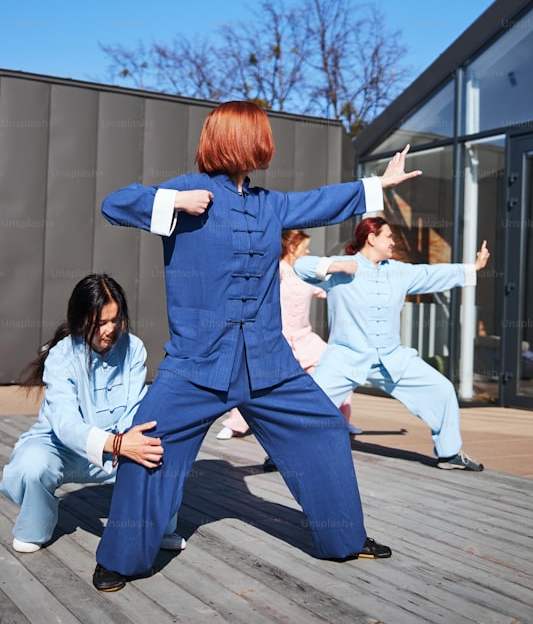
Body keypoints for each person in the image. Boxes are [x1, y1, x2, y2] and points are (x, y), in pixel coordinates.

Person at [91, 101, 420, 592]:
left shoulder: (270, 205)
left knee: (326, 430)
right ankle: (120, 557)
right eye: (260, 134)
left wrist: (378, 186)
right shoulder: (186, 191)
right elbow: (115, 203)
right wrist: (174, 204)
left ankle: (344, 539)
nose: (267, 143)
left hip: (270, 364)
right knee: (148, 444)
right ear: (240, 139)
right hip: (197, 364)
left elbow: (320, 201)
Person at [0, 273, 186, 554]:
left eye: (115, 319)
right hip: (62, 448)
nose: (109, 329)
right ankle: (35, 526)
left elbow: (135, 408)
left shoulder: (133, 349)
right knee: (32, 464)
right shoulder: (61, 356)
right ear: (80, 320)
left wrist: (128, 443)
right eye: (100, 323)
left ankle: (155, 528)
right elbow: (65, 424)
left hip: (117, 447)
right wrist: (116, 444)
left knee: (161, 451)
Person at [294, 217, 491, 471]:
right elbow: (300, 266)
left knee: (441, 389)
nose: (393, 242)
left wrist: (471, 268)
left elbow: (431, 273)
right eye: (389, 236)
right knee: (311, 406)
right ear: (372, 238)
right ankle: (283, 453)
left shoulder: (399, 271)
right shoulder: (341, 270)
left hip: (391, 358)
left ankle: (449, 453)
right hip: (345, 358)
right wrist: (337, 266)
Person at [218, 229, 359, 445]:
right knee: (254, 380)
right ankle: (235, 424)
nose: (309, 251)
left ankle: (340, 420)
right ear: (292, 249)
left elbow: (328, 290)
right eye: (305, 248)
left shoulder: (308, 276)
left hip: (305, 339)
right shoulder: (274, 271)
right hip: (276, 340)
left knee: (339, 367)